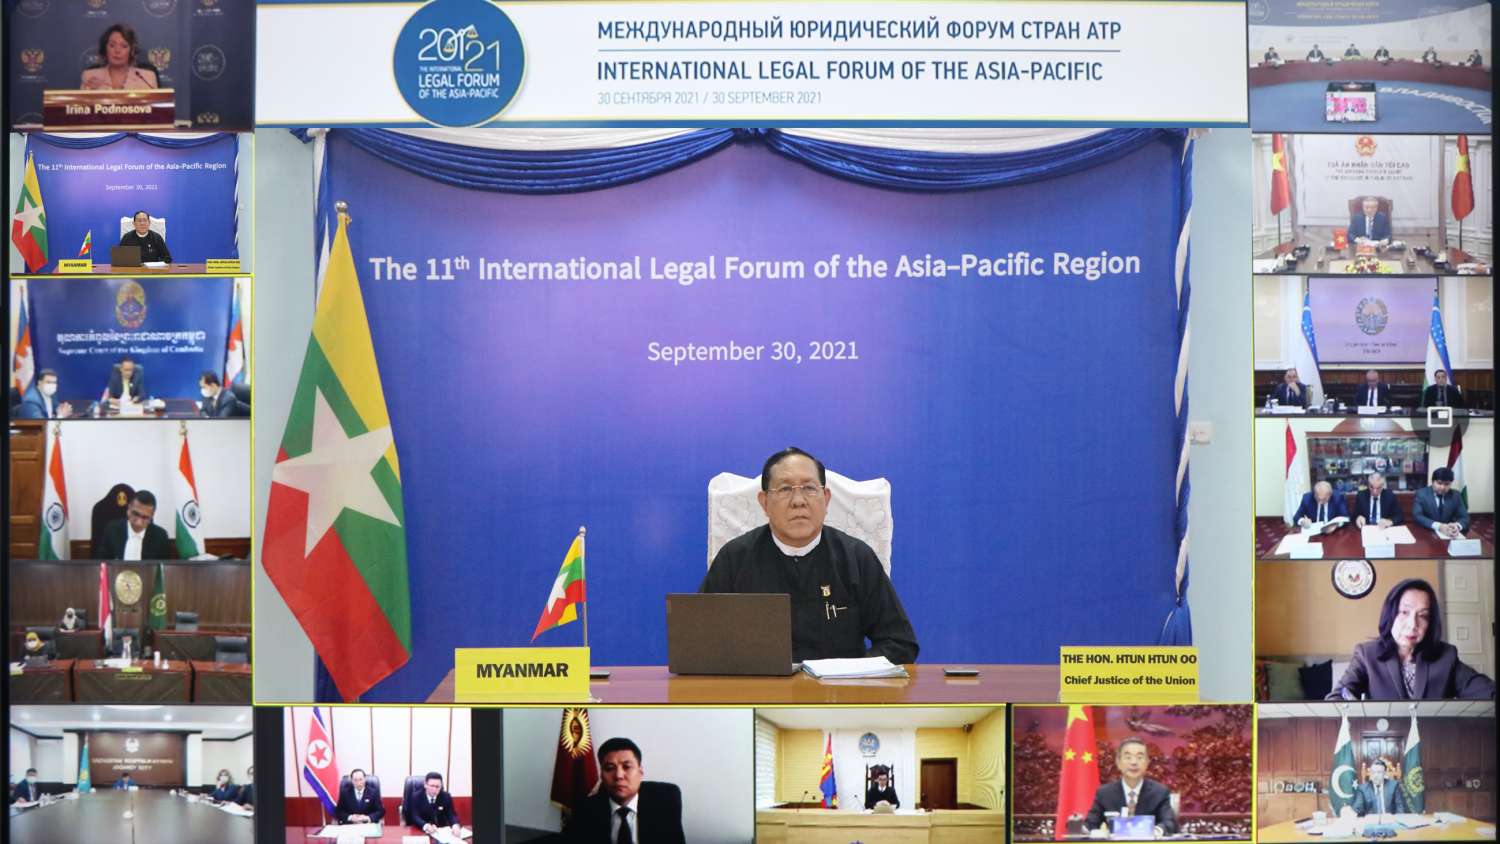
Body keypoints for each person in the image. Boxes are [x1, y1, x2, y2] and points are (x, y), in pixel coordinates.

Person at [700, 448, 919, 664]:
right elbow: (701, 643)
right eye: (785, 489)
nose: (798, 501)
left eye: (809, 488)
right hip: (760, 686)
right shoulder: (734, 559)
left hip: (839, 686)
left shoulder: (856, 557)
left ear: (826, 498)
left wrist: (849, 671)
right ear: (764, 502)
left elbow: (900, 643)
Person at [1328, 578, 1494, 700]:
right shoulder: (1367, 654)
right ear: (1390, 614)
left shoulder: (1446, 655)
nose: (1412, 624)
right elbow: (1337, 698)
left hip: (1434, 735)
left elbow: (1485, 691)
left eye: (1423, 616)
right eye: (1404, 612)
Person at [562, 738, 685, 844]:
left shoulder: (665, 803)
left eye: (627, 767)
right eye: (609, 768)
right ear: (601, 775)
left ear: (640, 772)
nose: (618, 775)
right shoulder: (585, 809)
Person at [1084, 739, 1179, 836]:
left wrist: (1156, 832)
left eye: (1139, 757)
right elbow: (1089, 825)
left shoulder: (1159, 792)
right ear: (1118, 762)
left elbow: (1169, 823)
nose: (1134, 762)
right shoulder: (1105, 793)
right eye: (1128, 757)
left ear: (1147, 762)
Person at [92, 490, 176, 560]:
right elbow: (101, 563)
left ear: (151, 516)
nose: (138, 522)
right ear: (129, 509)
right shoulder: (112, 530)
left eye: (145, 517)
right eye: (136, 514)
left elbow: (162, 570)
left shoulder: (160, 536)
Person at [80, 24, 159, 90]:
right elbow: (83, 104)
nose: (117, 50)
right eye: (112, 45)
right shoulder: (90, 76)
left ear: (131, 51)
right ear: (105, 48)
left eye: (124, 46)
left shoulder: (147, 78)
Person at [1412, 467, 1470, 538]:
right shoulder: (1421, 494)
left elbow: (1465, 517)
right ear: (1433, 481)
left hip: (1449, 533)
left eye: (1446, 484)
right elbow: (1417, 516)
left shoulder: (1456, 495)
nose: (1443, 487)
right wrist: (1439, 526)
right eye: (1439, 483)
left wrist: (1457, 526)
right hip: (1427, 533)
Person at [408, 772, 461, 837]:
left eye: (437, 786)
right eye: (432, 786)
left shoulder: (446, 796)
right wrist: (425, 825)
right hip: (421, 831)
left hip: (441, 832)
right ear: (425, 785)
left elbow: (451, 814)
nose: (434, 789)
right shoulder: (416, 797)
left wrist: (455, 825)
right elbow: (414, 816)